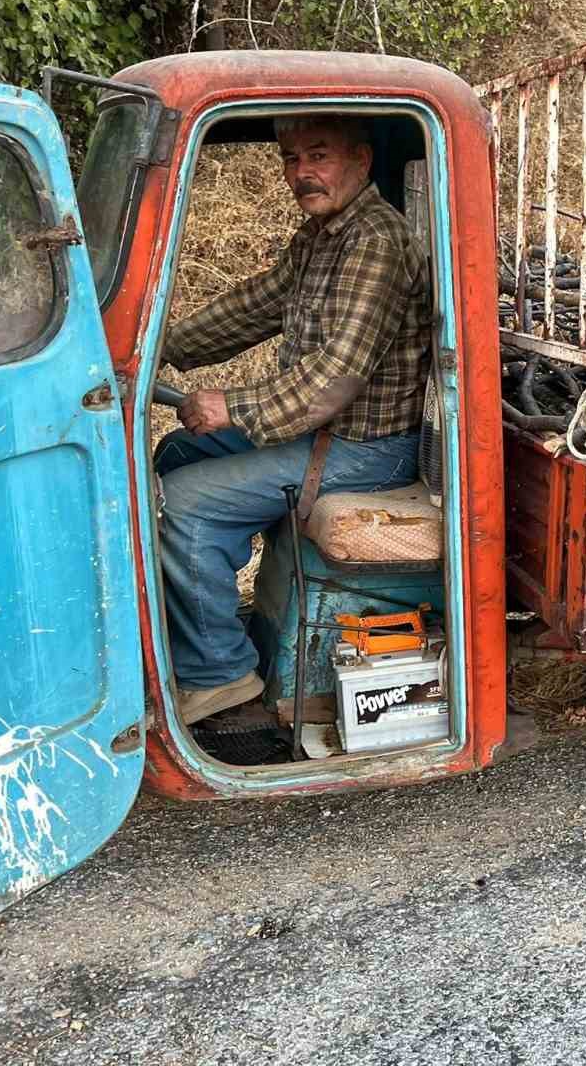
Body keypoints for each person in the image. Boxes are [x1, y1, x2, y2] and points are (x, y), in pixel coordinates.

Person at [155, 115, 430, 725]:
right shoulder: (322, 237)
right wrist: (156, 346)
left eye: (319, 155)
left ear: (360, 159)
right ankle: (194, 618)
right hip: (324, 433)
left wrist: (234, 405)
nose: (302, 172)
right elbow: (253, 306)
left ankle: (219, 674)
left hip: (368, 447)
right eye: (291, 158)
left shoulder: (374, 240)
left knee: (183, 501)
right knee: (176, 453)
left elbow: (335, 378)